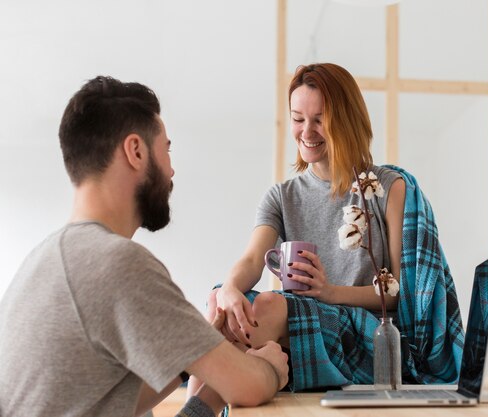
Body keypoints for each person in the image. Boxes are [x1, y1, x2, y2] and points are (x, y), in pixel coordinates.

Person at [0, 76, 288, 417]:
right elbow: (251, 387)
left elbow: (110, 403)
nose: (172, 170)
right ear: (136, 151)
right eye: (166, 149)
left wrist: (200, 352)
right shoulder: (117, 263)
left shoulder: (44, 261)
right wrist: (269, 367)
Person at [194, 63, 465, 393]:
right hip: (300, 327)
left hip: (370, 340)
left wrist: (330, 293)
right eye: (298, 119)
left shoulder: (389, 189)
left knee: (266, 307)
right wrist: (230, 290)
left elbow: (402, 295)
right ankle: (216, 400)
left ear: (347, 120)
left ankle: (209, 403)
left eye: (319, 120)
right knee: (219, 302)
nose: (306, 132)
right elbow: (252, 260)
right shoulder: (282, 196)